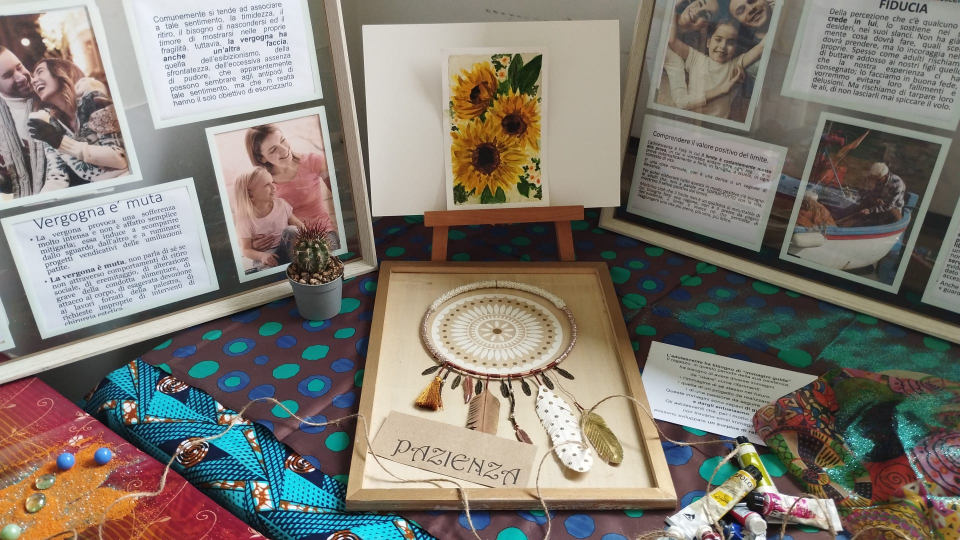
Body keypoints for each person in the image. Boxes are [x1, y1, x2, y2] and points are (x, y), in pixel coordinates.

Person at [28, 58, 128, 192]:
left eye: (40, 72)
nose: (33, 81)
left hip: (126, 182)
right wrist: (40, 202)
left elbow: (120, 159)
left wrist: (60, 142)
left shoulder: (94, 101)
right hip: (99, 191)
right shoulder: (50, 123)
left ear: (61, 72)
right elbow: (57, 177)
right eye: (33, 77)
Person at [245, 124, 340, 250]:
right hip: (285, 243)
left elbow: (343, 198)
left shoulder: (314, 161)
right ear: (262, 158)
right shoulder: (259, 183)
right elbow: (254, 223)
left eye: (282, 140)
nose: (283, 150)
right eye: (273, 150)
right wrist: (253, 244)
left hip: (322, 235)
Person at [666, 12, 767, 119]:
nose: (723, 46)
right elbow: (672, 41)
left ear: (735, 48)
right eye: (718, 40)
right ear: (709, 43)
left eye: (730, 43)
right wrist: (674, 9)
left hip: (716, 123)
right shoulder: (696, 58)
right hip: (692, 119)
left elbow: (761, 47)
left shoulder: (735, 65)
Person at [233, 167, 305, 271]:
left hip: (289, 249)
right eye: (267, 184)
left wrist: (309, 237)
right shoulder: (245, 220)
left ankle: (300, 265)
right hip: (267, 254)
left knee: (291, 230)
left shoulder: (281, 204)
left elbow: (297, 223)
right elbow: (246, 249)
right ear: (250, 194)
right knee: (265, 267)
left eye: (272, 182)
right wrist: (262, 256)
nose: (273, 187)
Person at [0, 46, 45, 198]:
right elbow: (8, 182)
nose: (21, 77)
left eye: (19, 67)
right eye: (8, 75)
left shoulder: (52, 94)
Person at [848, 163, 906, 227]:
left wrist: (870, 210)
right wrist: (873, 200)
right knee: (858, 208)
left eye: (878, 179)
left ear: (885, 176)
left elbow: (888, 206)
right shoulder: (874, 177)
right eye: (873, 179)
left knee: (889, 218)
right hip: (878, 203)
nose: (875, 181)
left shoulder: (896, 184)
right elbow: (866, 193)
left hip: (892, 208)